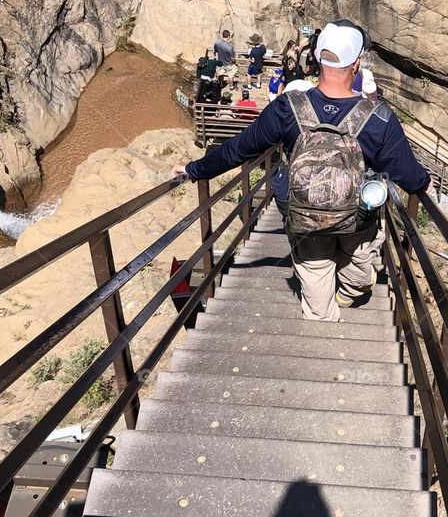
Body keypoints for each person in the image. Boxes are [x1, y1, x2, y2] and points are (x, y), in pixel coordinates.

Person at [173, 23, 430, 321]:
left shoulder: (287, 108)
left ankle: (332, 311)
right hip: (358, 219)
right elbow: (409, 175)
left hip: (304, 217)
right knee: (360, 277)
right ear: (356, 64)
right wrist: (424, 182)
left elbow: (238, 149)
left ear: (318, 60)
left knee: (321, 289)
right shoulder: (379, 119)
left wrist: (193, 170)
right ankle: (348, 292)